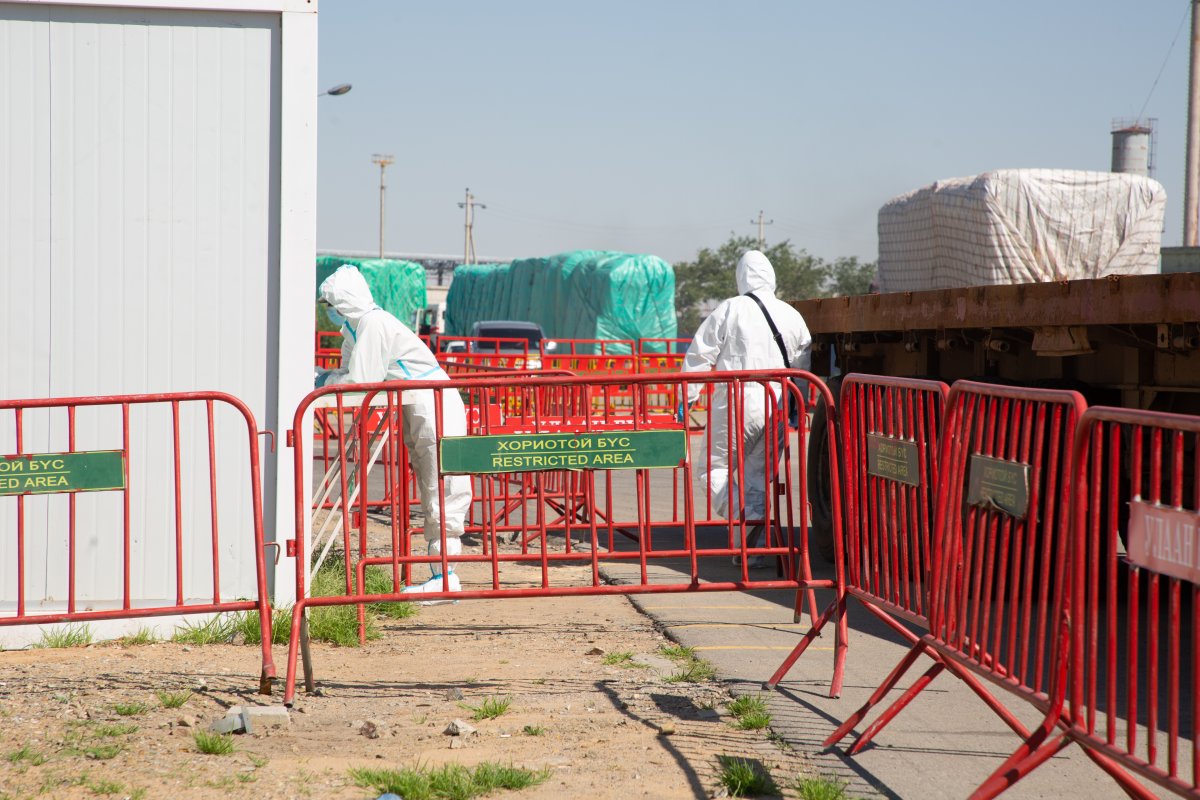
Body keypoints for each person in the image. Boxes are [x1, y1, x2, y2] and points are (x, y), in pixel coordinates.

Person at [317, 265, 473, 600]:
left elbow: (359, 382)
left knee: (442, 486)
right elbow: (350, 372)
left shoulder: (374, 324)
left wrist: (323, 380)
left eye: (331, 304)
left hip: (434, 405)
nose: (329, 311)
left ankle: (446, 577)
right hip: (419, 405)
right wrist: (328, 378)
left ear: (344, 300)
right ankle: (441, 574)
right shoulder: (356, 328)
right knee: (431, 485)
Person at [681, 250, 811, 567]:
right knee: (757, 477)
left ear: (741, 276)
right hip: (777, 400)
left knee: (712, 470)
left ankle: (745, 519)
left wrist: (687, 396)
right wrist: (799, 402)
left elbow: (700, 354)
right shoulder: (792, 315)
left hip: (736, 400)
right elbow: (803, 364)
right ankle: (754, 551)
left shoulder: (731, 308)